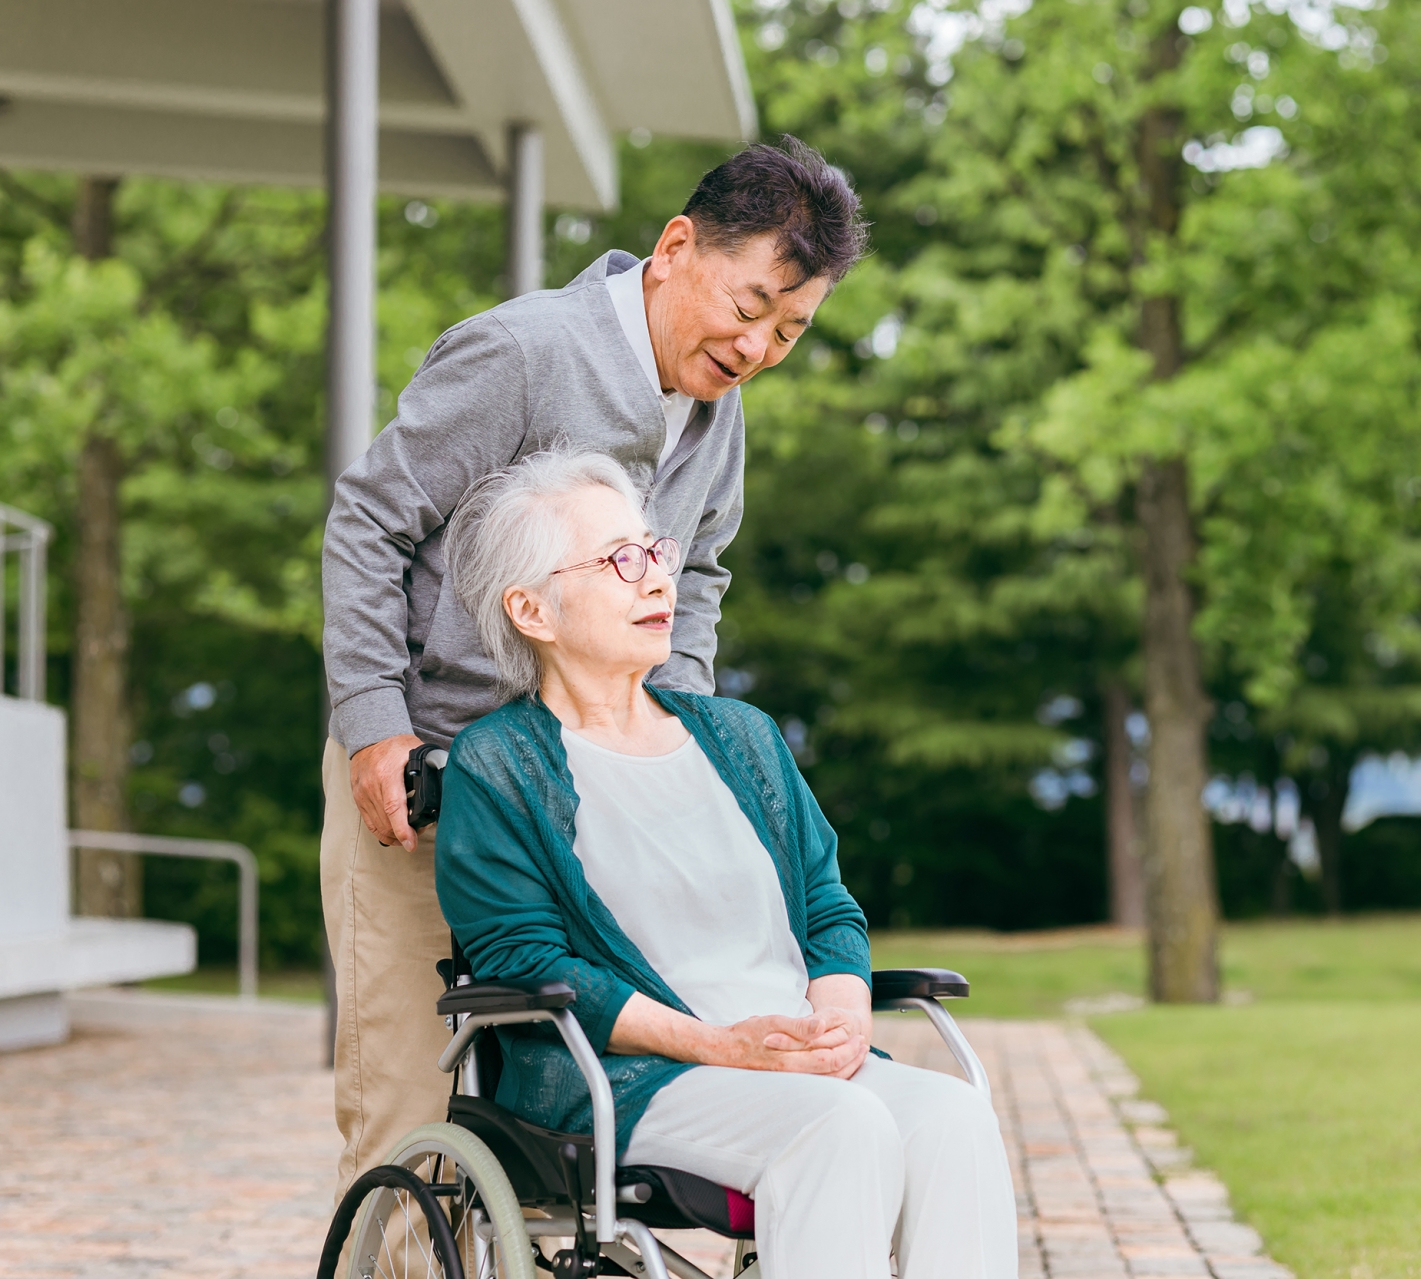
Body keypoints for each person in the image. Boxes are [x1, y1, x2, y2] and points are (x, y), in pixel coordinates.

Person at [319, 137, 869, 1197]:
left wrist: (683, 750)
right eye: (749, 307)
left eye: (790, 329)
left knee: (602, 1107)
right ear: (674, 248)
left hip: (596, 806)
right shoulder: (523, 354)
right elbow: (368, 522)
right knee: (407, 1110)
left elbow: (697, 576)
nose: (758, 346)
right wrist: (374, 718)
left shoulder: (719, 410)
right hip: (431, 783)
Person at [434, 451, 1018, 1278]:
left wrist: (842, 1022)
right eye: (619, 560)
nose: (656, 580)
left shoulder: (741, 737)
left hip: (788, 1061)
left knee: (953, 1115)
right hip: (629, 1078)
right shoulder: (499, 764)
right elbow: (526, 959)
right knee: (839, 1127)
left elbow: (826, 907)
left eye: (655, 550)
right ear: (532, 609)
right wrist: (720, 1045)